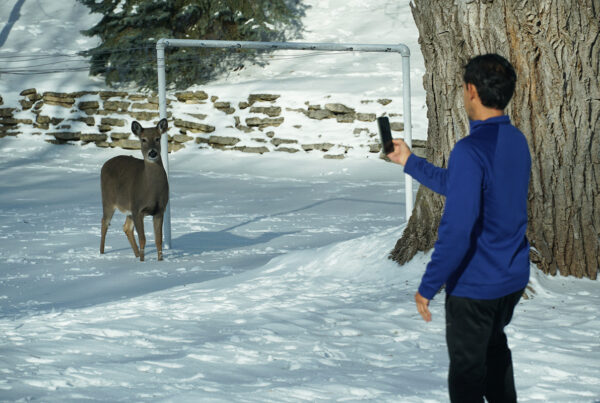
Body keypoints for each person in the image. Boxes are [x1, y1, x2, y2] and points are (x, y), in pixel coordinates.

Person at [387, 54, 531, 403]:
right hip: (510, 280)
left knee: (467, 378)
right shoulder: (516, 141)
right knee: (495, 356)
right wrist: (409, 161)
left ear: (471, 91)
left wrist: (428, 285)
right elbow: (462, 186)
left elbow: (457, 229)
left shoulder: (470, 149)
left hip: (475, 287)